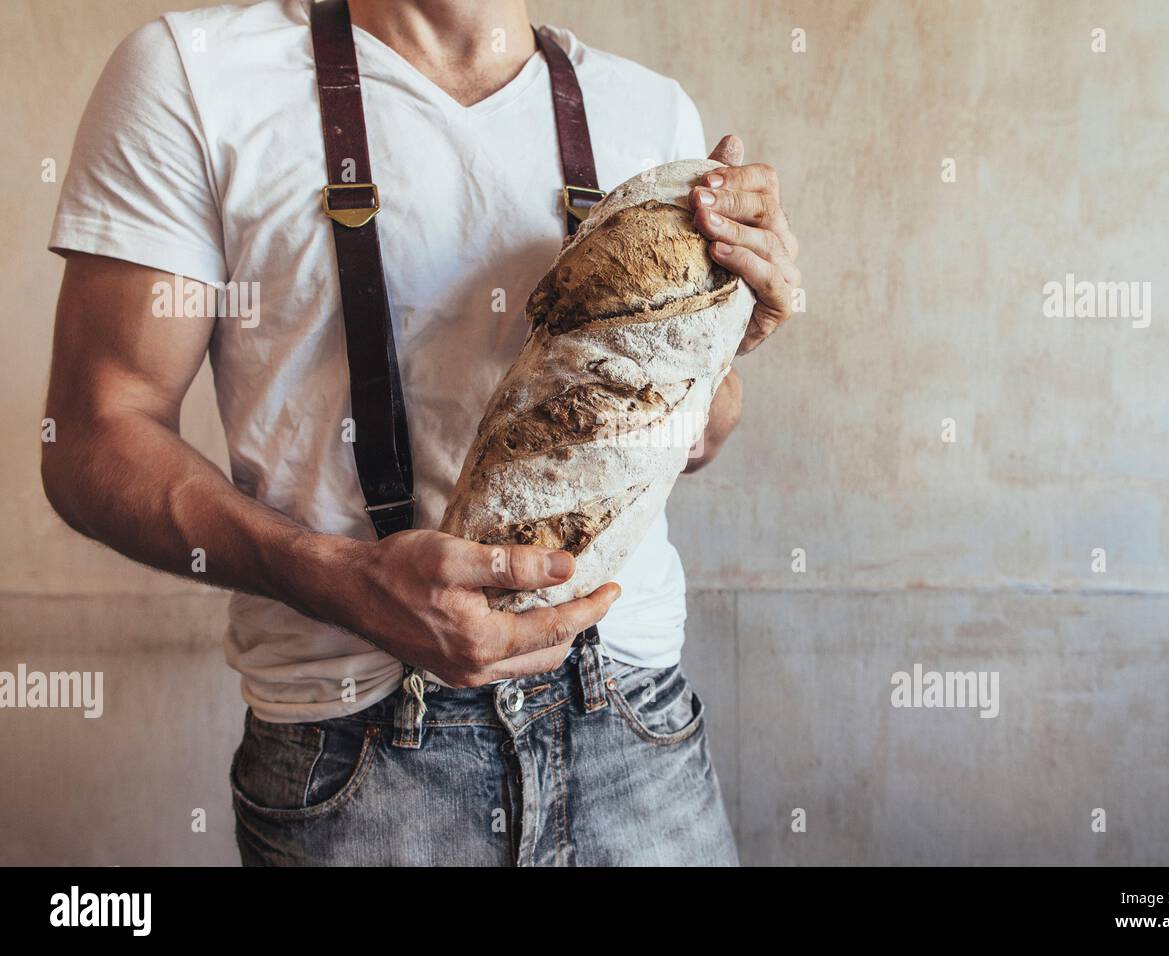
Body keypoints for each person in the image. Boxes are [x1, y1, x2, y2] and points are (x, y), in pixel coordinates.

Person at [42, 0, 800, 866]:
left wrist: (724, 340)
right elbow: (95, 434)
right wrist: (338, 579)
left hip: (633, 729)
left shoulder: (649, 110)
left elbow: (685, 437)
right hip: (357, 756)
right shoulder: (195, 75)